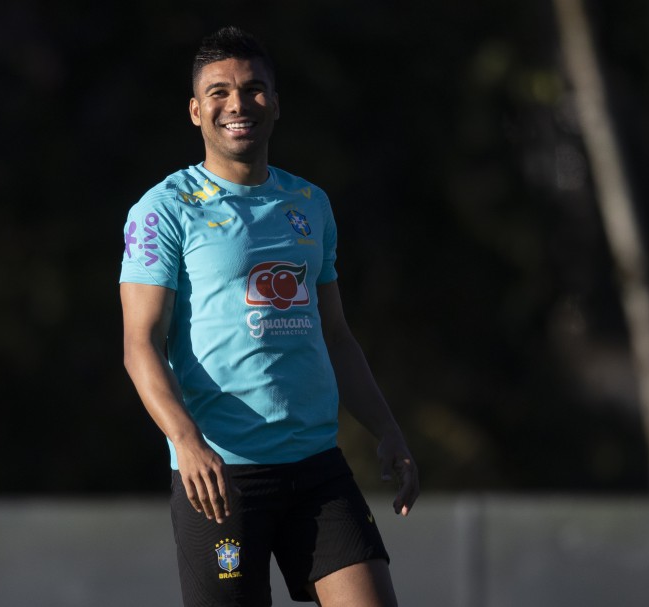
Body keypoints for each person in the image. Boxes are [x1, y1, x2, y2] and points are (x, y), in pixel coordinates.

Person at [119, 26, 419, 607]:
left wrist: (387, 428)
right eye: (219, 92)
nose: (238, 103)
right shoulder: (164, 209)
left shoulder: (310, 204)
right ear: (195, 111)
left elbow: (336, 336)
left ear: (275, 104)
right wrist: (187, 441)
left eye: (253, 89)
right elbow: (140, 345)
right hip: (221, 475)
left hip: (316, 466)